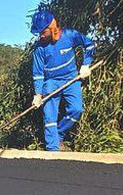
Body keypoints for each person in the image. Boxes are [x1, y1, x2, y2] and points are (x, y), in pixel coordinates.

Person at [30, 9, 95, 151]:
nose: (41, 35)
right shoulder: (39, 48)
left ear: (51, 26)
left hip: (71, 79)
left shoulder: (69, 35)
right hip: (51, 82)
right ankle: (53, 149)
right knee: (50, 117)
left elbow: (89, 44)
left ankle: (59, 134)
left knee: (76, 109)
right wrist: (38, 94)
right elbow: (38, 73)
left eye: (42, 31)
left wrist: (85, 64)